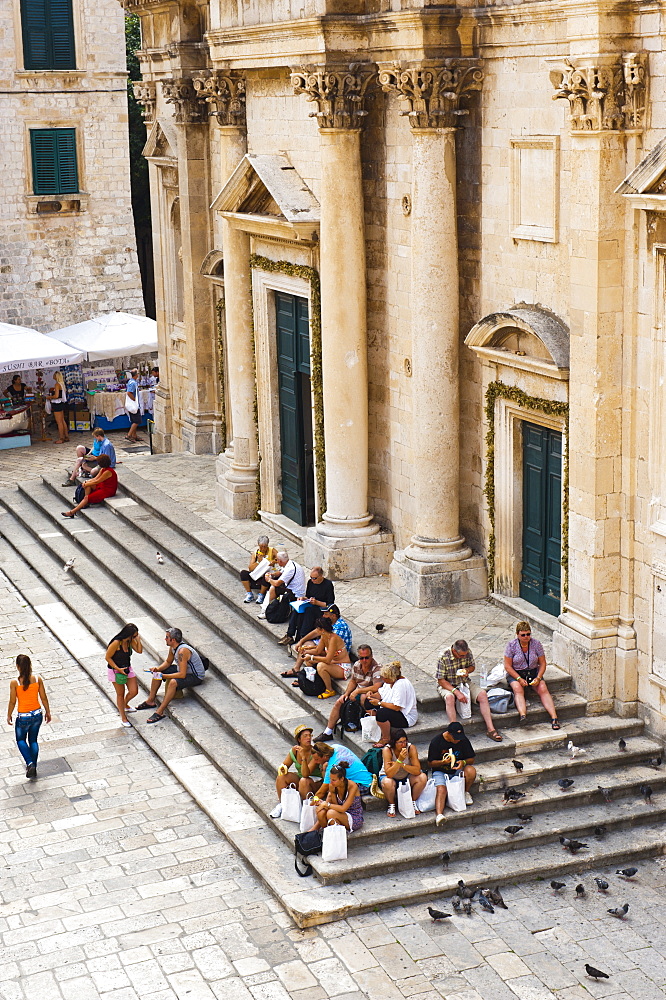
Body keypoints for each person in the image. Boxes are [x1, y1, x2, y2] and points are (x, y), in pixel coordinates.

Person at [436, 639, 503, 742]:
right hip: (448, 684)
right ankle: (453, 731)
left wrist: (467, 670)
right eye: (461, 656)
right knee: (450, 698)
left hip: (464, 681)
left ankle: (491, 729)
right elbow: (441, 680)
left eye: (465, 655)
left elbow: (472, 666)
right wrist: (456, 692)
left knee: (482, 694)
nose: (464, 657)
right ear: (454, 651)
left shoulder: (467, 652)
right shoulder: (443, 657)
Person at [314, 644, 383, 741]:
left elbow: (377, 687)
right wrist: (346, 694)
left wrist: (358, 691)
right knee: (339, 701)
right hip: (358, 694)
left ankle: (372, 728)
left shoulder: (377, 668)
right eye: (361, 658)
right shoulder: (357, 665)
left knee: (364, 697)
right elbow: (353, 681)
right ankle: (328, 731)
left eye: (366, 658)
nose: (364, 660)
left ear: (371, 656)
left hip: (370, 696)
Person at [137, 627, 206, 724]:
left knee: (173, 682)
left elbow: (182, 674)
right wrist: (157, 669)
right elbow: (168, 662)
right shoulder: (173, 647)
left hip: (195, 676)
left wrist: (164, 676)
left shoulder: (182, 651)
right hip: (184, 670)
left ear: (173, 640)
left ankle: (160, 711)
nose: (165, 639)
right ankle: (150, 700)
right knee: (157, 674)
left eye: (167, 637)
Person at [504, 621, 560, 729]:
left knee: (543, 688)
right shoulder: (511, 645)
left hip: (532, 671)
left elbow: (543, 663)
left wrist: (538, 677)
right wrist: (519, 678)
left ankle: (554, 717)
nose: (526, 637)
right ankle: (523, 715)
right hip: (516, 672)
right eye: (523, 635)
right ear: (517, 635)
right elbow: (508, 666)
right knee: (518, 689)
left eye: (528, 634)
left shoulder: (536, 644)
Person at [6, 654, 51, 778]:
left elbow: (12, 701)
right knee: (33, 740)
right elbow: (43, 697)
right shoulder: (37, 679)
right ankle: (34, 766)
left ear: (18, 666)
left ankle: (30, 763)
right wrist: (48, 711)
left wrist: (9, 714)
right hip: (37, 714)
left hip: (23, 717)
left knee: (21, 740)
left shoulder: (15, 683)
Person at [428, 721, 476, 825]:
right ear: (449, 734)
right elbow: (431, 763)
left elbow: (471, 759)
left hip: (456, 770)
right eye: (455, 738)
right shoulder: (436, 742)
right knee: (441, 789)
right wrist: (442, 762)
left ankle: (465, 792)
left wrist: (463, 762)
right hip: (440, 770)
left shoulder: (463, 741)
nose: (457, 740)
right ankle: (439, 815)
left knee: (471, 771)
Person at [269, 724, 323, 818]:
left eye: (310, 735)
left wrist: (303, 757)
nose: (308, 738)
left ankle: (303, 808)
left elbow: (306, 774)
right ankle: (283, 804)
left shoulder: (314, 752)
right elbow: (284, 766)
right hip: (301, 778)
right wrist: (283, 768)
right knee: (282, 777)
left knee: (303, 781)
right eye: (305, 736)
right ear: (299, 739)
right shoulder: (294, 751)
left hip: (315, 781)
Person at [277, 566, 335, 646]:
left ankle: (303, 636)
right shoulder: (310, 583)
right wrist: (303, 599)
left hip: (321, 608)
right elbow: (308, 596)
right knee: (296, 610)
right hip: (311, 604)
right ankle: (290, 635)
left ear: (321, 576)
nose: (312, 580)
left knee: (309, 612)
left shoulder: (328, 584)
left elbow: (330, 603)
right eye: (311, 578)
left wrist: (317, 602)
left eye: (315, 578)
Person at [364, 661, 418, 747]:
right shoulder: (388, 682)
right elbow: (381, 694)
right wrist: (372, 696)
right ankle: (381, 727)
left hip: (406, 717)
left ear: (392, 677)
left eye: (385, 678)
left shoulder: (401, 685)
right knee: (368, 702)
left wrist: (378, 703)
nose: (383, 680)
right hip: (393, 709)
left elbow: (397, 707)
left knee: (382, 713)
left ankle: (386, 738)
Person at [380, 728, 427, 818]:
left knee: (422, 777)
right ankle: (391, 804)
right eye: (400, 742)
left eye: (405, 741)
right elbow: (389, 774)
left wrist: (401, 764)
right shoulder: (387, 750)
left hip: (406, 776)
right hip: (391, 778)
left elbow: (417, 770)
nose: (403, 744)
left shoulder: (411, 748)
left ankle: (413, 801)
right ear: (394, 742)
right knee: (387, 782)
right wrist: (399, 760)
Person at [301, 617, 351, 699]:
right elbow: (318, 651)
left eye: (317, 628)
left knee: (321, 666)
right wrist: (306, 651)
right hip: (333, 664)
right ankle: (311, 682)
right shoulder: (324, 636)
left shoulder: (333, 639)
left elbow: (327, 660)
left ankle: (330, 690)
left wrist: (312, 657)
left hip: (342, 667)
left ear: (322, 630)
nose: (316, 630)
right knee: (309, 662)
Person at [105, 623, 141, 727]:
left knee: (134, 691)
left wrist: (138, 640)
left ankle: (124, 704)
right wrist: (118, 669)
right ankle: (123, 717)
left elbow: (139, 650)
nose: (135, 638)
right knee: (120, 694)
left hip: (127, 668)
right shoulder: (116, 643)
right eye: (134, 636)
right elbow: (108, 657)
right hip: (116, 670)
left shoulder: (129, 642)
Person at [313, 761, 364, 833]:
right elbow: (336, 805)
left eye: (334, 780)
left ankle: (338, 834)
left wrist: (327, 804)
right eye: (330, 779)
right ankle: (329, 833)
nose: (331, 782)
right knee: (321, 813)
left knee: (331, 813)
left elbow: (343, 808)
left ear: (341, 779)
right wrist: (323, 803)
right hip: (339, 813)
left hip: (354, 816)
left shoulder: (352, 786)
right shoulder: (332, 786)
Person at [258, 551, 306, 620]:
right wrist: (272, 575)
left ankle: (268, 610)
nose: (276, 561)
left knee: (273, 588)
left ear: (280, 561)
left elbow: (277, 583)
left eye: (277, 560)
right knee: (273, 584)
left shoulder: (290, 569)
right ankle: (266, 607)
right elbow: (280, 572)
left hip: (296, 594)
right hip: (290, 589)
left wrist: (268, 579)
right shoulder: (288, 563)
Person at [240, 535, 277, 605]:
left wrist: (274, 561)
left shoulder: (272, 550)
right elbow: (250, 568)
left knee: (267, 576)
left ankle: (261, 594)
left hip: (267, 575)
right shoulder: (256, 553)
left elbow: (279, 558)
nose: (263, 549)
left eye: (265, 547)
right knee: (243, 573)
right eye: (261, 546)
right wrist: (258, 562)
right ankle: (249, 593)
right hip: (257, 574)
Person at [48, 371, 69, 444]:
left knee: (59, 422)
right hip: (62, 403)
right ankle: (66, 436)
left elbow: (56, 396)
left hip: (57, 404)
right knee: (62, 420)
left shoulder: (57, 384)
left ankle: (61, 438)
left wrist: (49, 397)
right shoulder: (62, 384)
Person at [124, 368, 143, 443]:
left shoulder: (131, 381)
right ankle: (129, 435)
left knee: (134, 420)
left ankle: (134, 435)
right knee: (137, 421)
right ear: (136, 375)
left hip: (133, 405)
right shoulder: (133, 383)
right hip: (134, 405)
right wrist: (134, 399)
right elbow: (129, 392)